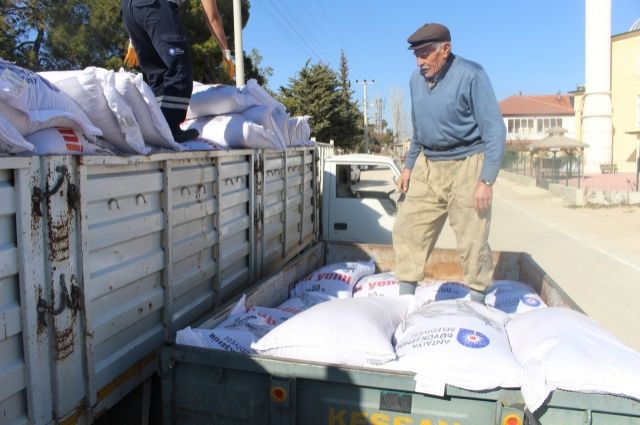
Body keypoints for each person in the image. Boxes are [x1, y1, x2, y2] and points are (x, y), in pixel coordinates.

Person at [393, 23, 506, 295]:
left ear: (446, 49)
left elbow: (494, 130)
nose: (420, 61)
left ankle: (477, 299)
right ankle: (405, 299)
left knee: (472, 238)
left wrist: (486, 180)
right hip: (429, 164)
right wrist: (408, 167)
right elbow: (418, 131)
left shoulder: (471, 76)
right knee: (407, 227)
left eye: (426, 53)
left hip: (468, 164)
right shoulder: (414, 81)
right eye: (416, 54)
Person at [121, 0, 232, 142]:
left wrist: (133, 39)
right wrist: (226, 52)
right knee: (179, 67)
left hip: (129, 10)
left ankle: (157, 126)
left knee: (158, 73)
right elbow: (212, 17)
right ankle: (171, 128)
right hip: (156, 6)